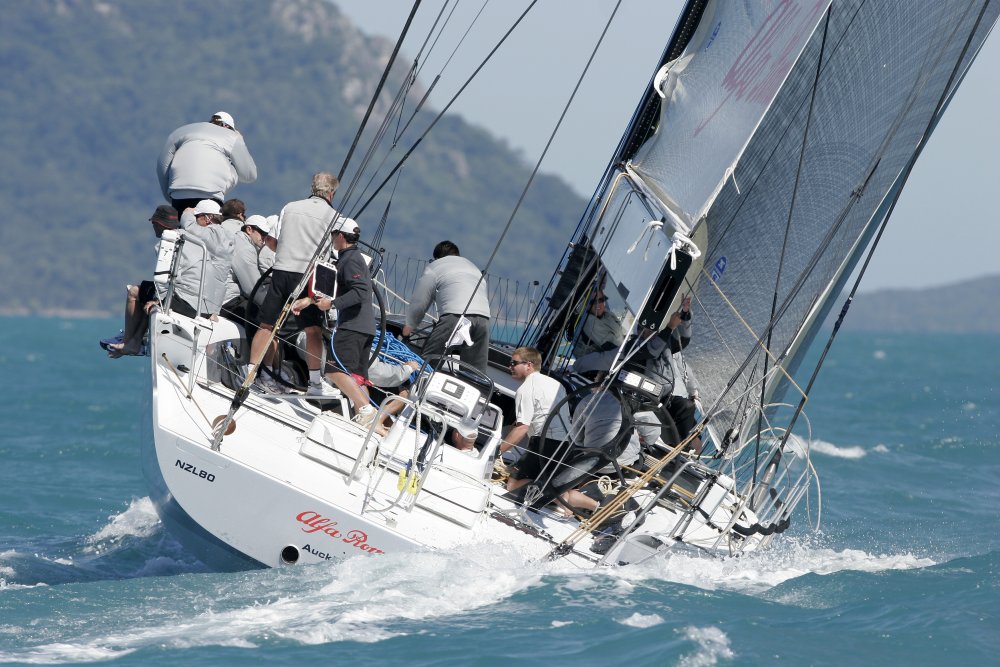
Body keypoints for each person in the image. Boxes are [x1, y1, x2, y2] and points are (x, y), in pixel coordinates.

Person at [249, 172, 339, 396]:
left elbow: (278, 238)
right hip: (308, 275)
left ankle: (253, 373)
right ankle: (316, 384)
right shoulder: (333, 215)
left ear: (312, 187)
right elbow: (330, 252)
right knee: (313, 331)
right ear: (331, 193)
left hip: (281, 270)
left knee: (267, 324)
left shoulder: (289, 207)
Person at [292, 218, 378, 426]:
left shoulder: (350, 260)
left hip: (353, 327)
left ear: (340, 236)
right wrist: (310, 301)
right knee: (356, 377)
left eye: (333, 235)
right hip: (365, 327)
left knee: (333, 370)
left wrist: (332, 303)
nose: (331, 240)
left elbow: (360, 291)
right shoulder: (349, 259)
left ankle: (366, 408)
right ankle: (365, 422)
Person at [401, 240, 491, 372]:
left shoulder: (435, 267)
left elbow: (420, 302)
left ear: (437, 257)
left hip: (455, 316)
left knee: (428, 361)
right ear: (457, 255)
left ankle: (416, 388)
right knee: (474, 372)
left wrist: (408, 328)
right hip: (484, 319)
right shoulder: (473, 267)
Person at [102, 205, 179, 357]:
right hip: (177, 288)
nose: (152, 226)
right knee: (145, 293)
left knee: (134, 292)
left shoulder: (165, 245)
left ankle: (129, 340)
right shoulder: (182, 237)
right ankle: (133, 342)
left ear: (160, 224)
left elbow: (168, 278)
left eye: (153, 223)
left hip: (175, 292)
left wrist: (157, 299)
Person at [630, 294, 700, 452]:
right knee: (664, 420)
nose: (654, 333)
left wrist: (685, 314)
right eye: (650, 330)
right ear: (641, 331)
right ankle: (674, 448)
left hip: (665, 397)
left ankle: (683, 447)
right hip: (645, 400)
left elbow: (684, 339)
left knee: (687, 406)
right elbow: (652, 350)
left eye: (656, 330)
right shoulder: (635, 347)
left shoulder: (664, 341)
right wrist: (669, 327)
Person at [501, 347, 572, 492]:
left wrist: (495, 452)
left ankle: (552, 492)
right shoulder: (557, 384)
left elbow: (522, 428)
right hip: (567, 444)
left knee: (512, 485)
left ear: (529, 365)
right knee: (548, 481)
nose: (510, 366)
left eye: (514, 363)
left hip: (546, 443)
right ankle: (580, 504)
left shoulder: (526, 388)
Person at [157, 112, 257, 213]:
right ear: (227, 127)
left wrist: (169, 196)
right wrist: (240, 140)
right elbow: (249, 175)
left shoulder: (179, 132)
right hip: (211, 195)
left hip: (178, 194)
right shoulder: (232, 136)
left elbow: (162, 166)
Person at [169, 200, 233, 319]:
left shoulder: (213, 234)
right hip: (213, 303)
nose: (195, 219)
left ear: (208, 218)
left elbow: (189, 227)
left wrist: (187, 213)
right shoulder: (226, 236)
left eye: (197, 216)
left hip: (199, 301)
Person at [576, 290, 628, 355]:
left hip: (621, 350)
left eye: (600, 300)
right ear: (587, 305)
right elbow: (611, 347)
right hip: (605, 359)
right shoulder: (589, 322)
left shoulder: (607, 314)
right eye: (593, 302)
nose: (598, 304)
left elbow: (622, 330)